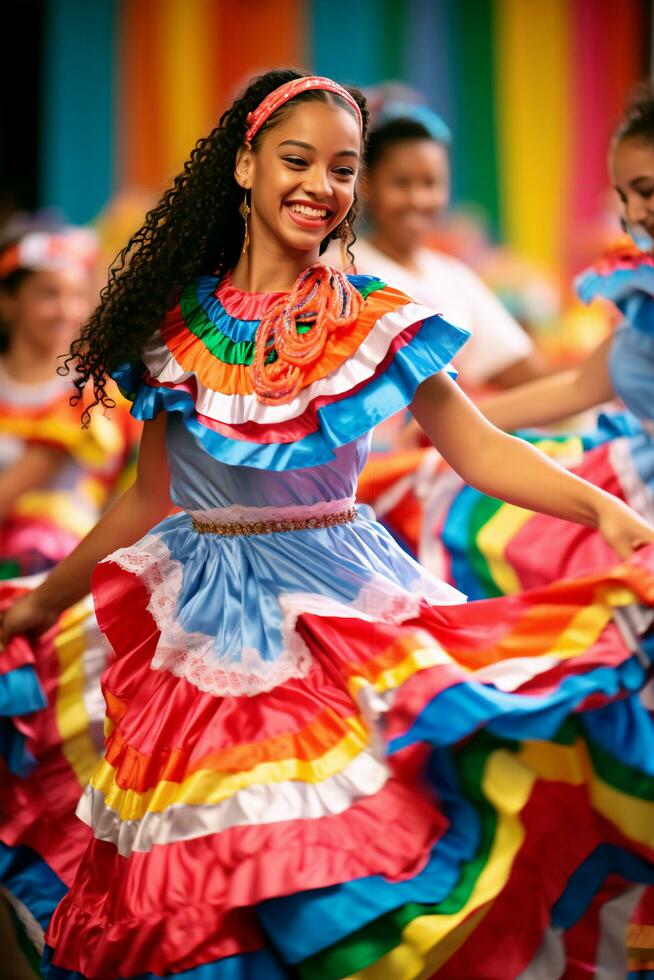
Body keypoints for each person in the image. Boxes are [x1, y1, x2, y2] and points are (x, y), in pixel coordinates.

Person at [2, 68, 654, 979]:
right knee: (195, 889)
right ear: (244, 166)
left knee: (342, 868)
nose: (322, 187)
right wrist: (41, 605)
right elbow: (146, 501)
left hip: (338, 611)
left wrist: (605, 510)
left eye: (342, 169)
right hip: (202, 632)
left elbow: (480, 450)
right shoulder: (176, 328)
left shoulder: (371, 318)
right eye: (297, 160)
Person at [352, 99, 546, 393]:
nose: (417, 200)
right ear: (366, 184)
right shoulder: (344, 269)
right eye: (401, 183)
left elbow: (522, 370)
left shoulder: (454, 276)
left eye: (430, 183)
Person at [0, 227, 138, 578]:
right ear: (8, 300)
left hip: (60, 573)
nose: (65, 310)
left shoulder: (96, 394)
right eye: (48, 294)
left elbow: (137, 496)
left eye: (77, 295)